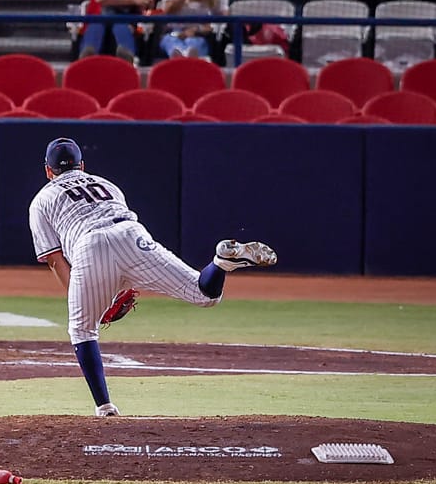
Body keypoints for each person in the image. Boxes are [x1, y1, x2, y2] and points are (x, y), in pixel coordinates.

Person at [29, 137, 277, 417]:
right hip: (131, 233)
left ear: (48, 171)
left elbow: (54, 260)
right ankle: (221, 262)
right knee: (204, 294)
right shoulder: (107, 185)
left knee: (82, 330)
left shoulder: (42, 199)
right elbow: (119, 253)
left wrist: (80, 295)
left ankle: (105, 407)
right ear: (82, 166)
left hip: (88, 244)